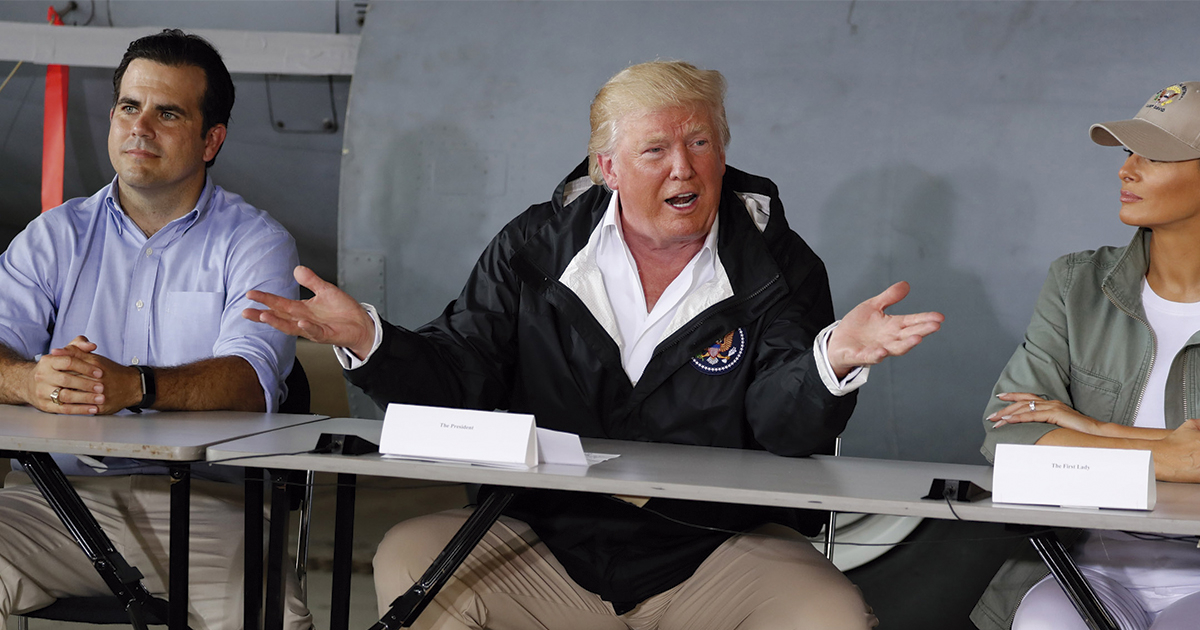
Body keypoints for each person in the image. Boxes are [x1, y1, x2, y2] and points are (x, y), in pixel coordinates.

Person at [246, 60, 943, 629]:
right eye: (656, 150)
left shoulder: (778, 267)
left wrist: (831, 363)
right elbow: (464, 377)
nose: (684, 168)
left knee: (833, 615)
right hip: (547, 542)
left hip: (711, 551)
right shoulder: (534, 249)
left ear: (723, 153)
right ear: (608, 167)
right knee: (411, 555)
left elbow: (780, 421)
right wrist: (372, 341)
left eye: (700, 144)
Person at [0, 29, 310, 630]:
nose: (140, 127)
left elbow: (251, 380)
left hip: (207, 506)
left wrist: (136, 384)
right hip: (49, 502)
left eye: (167, 113)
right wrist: (29, 380)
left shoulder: (257, 244)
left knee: (270, 613)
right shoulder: (53, 236)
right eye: (128, 107)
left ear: (210, 139)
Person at [973, 82, 1200, 630]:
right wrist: (1168, 457)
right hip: (1086, 566)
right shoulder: (1078, 284)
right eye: (1128, 152)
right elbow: (1007, 437)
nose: (1127, 170)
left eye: (1157, 154)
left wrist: (1086, 430)